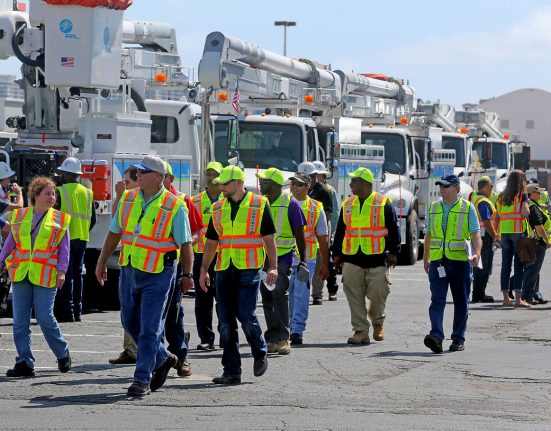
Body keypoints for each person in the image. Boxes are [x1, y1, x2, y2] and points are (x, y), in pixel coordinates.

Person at [95, 155, 194, 397]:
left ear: (158, 177)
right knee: (130, 323)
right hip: (130, 270)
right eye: (136, 172)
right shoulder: (128, 198)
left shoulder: (175, 205)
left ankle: (142, 379)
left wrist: (188, 274)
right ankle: (164, 357)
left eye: (143, 172)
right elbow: (114, 233)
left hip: (160, 273)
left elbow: (185, 244)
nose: (136, 176)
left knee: (150, 328)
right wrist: (101, 262)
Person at [199, 165, 276, 385]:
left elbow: (269, 239)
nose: (221, 187)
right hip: (224, 269)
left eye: (225, 183)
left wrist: (273, 267)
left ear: (239, 182)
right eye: (220, 183)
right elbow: (212, 241)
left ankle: (259, 351)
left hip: (249, 268)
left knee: (245, 315)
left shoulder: (259, 204)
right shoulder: (218, 207)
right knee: (225, 323)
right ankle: (232, 370)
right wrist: (204, 269)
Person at [0, 176, 72, 377]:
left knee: (44, 317)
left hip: (46, 275)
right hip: (21, 273)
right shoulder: (21, 216)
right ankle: (24, 361)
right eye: (48, 193)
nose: (52, 197)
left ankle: (62, 352)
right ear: (35, 195)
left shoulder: (60, 219)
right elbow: (10, 244)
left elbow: (64, 249)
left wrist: (62, 271)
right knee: (20, 320)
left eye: (53, 193)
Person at [332, 167, 400, 345]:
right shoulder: (347, 204)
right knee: (353, 294)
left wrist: (393, 252)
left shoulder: (384, 203)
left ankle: (378, 321)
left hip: (377, 258)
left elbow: (394, 229)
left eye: (354, 181)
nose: (350, 184)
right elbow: (341, 231)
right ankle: (361, 330)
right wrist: (336, 254)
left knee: (379, 292)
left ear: (365, 183)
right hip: (352, 258)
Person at [423, 174, 482, 353]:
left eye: (446, 186)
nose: (442, 189)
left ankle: (458, 339)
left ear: (456, 188)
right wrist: (426, 257)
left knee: (461, 301)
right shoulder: (433, 207)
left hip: (460, 263)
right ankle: (436, 337)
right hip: (438, 261)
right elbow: (428, 234)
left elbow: (475, 233)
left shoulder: (468, 207)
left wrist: (477, 253)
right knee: (437, 300)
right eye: (441, 186)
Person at [256, 167, 307, 355]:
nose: (261, 184)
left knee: (278, 292)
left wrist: (303, 260)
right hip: (261, 258)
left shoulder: (291, 204)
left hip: (283, 257)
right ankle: (271, 338)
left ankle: (284, 338)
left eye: (265, 181)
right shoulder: (260, 203)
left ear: (276, 185)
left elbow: (300, 235)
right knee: (267, 296)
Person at [288, 171, 329, 345]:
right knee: (287, 294)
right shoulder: (283, 203)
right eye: (293, 184)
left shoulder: (316, 207)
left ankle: (297, 329)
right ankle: (288, 325)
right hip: (285, 257)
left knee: (301, 294)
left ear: (307, 186)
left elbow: (322, 237)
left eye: (298, 184)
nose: (294, 188)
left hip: (307, 259)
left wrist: (325, 264)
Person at [53, 157, 95, 322]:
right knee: (78, 275)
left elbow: (54, 217)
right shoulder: (88, 193)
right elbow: (93, 219)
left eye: (62, 172)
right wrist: (83, 230)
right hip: (82, 239)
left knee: (66, 274)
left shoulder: (60, 191)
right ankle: (77, 311)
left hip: (65, 239)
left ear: (66, 174)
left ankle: (67, 312)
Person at [109, 166, 139, 365]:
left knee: (141, 311)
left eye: (127, 182)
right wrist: (119, 196)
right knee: (129, 310)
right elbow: (116, 221)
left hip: (147, 263)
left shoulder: (142, 199)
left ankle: (169, 344)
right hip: (129, 261)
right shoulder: (127, 198)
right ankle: (130, 350)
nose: (124, 185)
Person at [191, 161, 223, 350]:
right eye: (209, 174)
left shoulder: (227, 201)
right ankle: (206, 338)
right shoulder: (195, 201)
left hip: (222, 255)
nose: (211, 177)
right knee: (202, 299)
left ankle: (224, 334)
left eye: (215, 174)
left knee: (223, 298)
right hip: (201, 255)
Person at [495, 170, 531, 308]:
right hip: (517, 233)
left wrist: (496, 235)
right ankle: (517, 299)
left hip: (505, 234)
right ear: (521, 181)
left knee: (505, 265)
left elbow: (498, 216)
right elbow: (525, 212)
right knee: (518, 266)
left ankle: (505, 299)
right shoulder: (522, 196)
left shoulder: (501, 197)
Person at [297, 161, 332, 305]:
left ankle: (317, 293)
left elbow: (328, 214)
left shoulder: (323, 191)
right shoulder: (294, 190)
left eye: (310, 177)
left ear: (314, 176)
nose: (308, 180)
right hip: (299, 233)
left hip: (318, 231)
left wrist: (321, 232)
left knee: (318, 262)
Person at [312, 160, 339, 302]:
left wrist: (331, 233)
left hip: (324, 231)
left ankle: (331, 289)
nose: (316, 177)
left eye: (318, 175)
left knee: (326, 261)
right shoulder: (307, 189)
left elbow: (334, 214)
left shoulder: (328, 191)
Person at [521, 184, 551, 305]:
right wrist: (546, 239)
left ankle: (529, 295)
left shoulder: (533, 206)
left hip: (534, 242)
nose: (540, 194)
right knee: (532, 270)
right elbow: (539, 226)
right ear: (531, 194)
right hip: (537, 242)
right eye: (538, 192)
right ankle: (527, 297)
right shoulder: (533, 207)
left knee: (533, 270)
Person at [471, 177, 498, 303]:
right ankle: (479, 294)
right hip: (485, 236)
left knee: (480, 266)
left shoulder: (476, 198)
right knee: (484, 266)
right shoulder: (483, 201)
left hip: (480, 235)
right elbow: (487, 221)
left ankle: (478, 293)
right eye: (491, 186)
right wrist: (495, 236)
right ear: (485, 187)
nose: (492, 189)